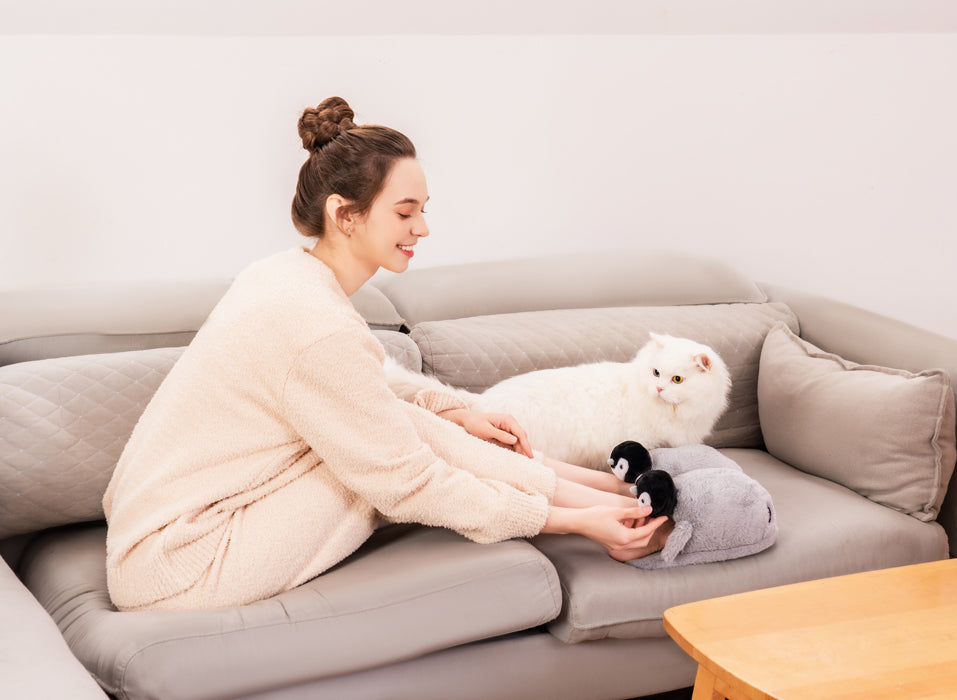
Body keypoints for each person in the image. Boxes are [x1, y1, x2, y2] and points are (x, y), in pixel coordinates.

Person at [102, 96, 669, 612]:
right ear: (344, 214)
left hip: (164, 536)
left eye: (423, 209)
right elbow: (409, 481)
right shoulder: (314, 322)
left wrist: (457, 411)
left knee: (388, 422)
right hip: (180, 563)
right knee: (378, 456)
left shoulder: (285, 275)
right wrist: (570, 525)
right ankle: (609, 499)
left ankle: (613, 489)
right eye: (404, 212)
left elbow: (365, 382)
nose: (422, 227)